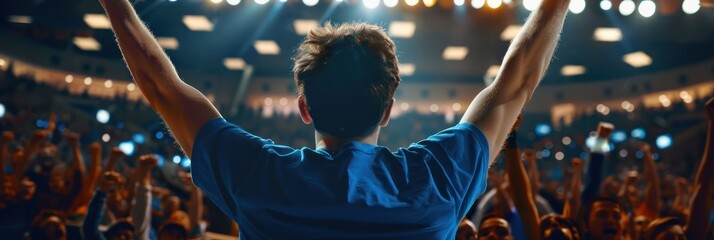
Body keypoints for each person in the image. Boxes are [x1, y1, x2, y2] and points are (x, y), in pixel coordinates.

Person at [98, 0, 570, 237]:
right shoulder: (437, 179)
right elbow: (516, 80)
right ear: (388, 109)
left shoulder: (260, 176)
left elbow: (163, 88)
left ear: (305, 108)